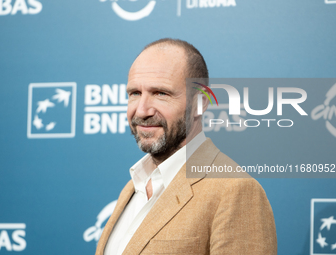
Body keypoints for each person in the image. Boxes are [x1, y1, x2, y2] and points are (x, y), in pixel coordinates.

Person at [95, 38, 277, 255]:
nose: (142, 110)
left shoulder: (235, 191)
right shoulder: (133, 188)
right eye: (134, 93)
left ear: (200, 103)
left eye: (160, 93)